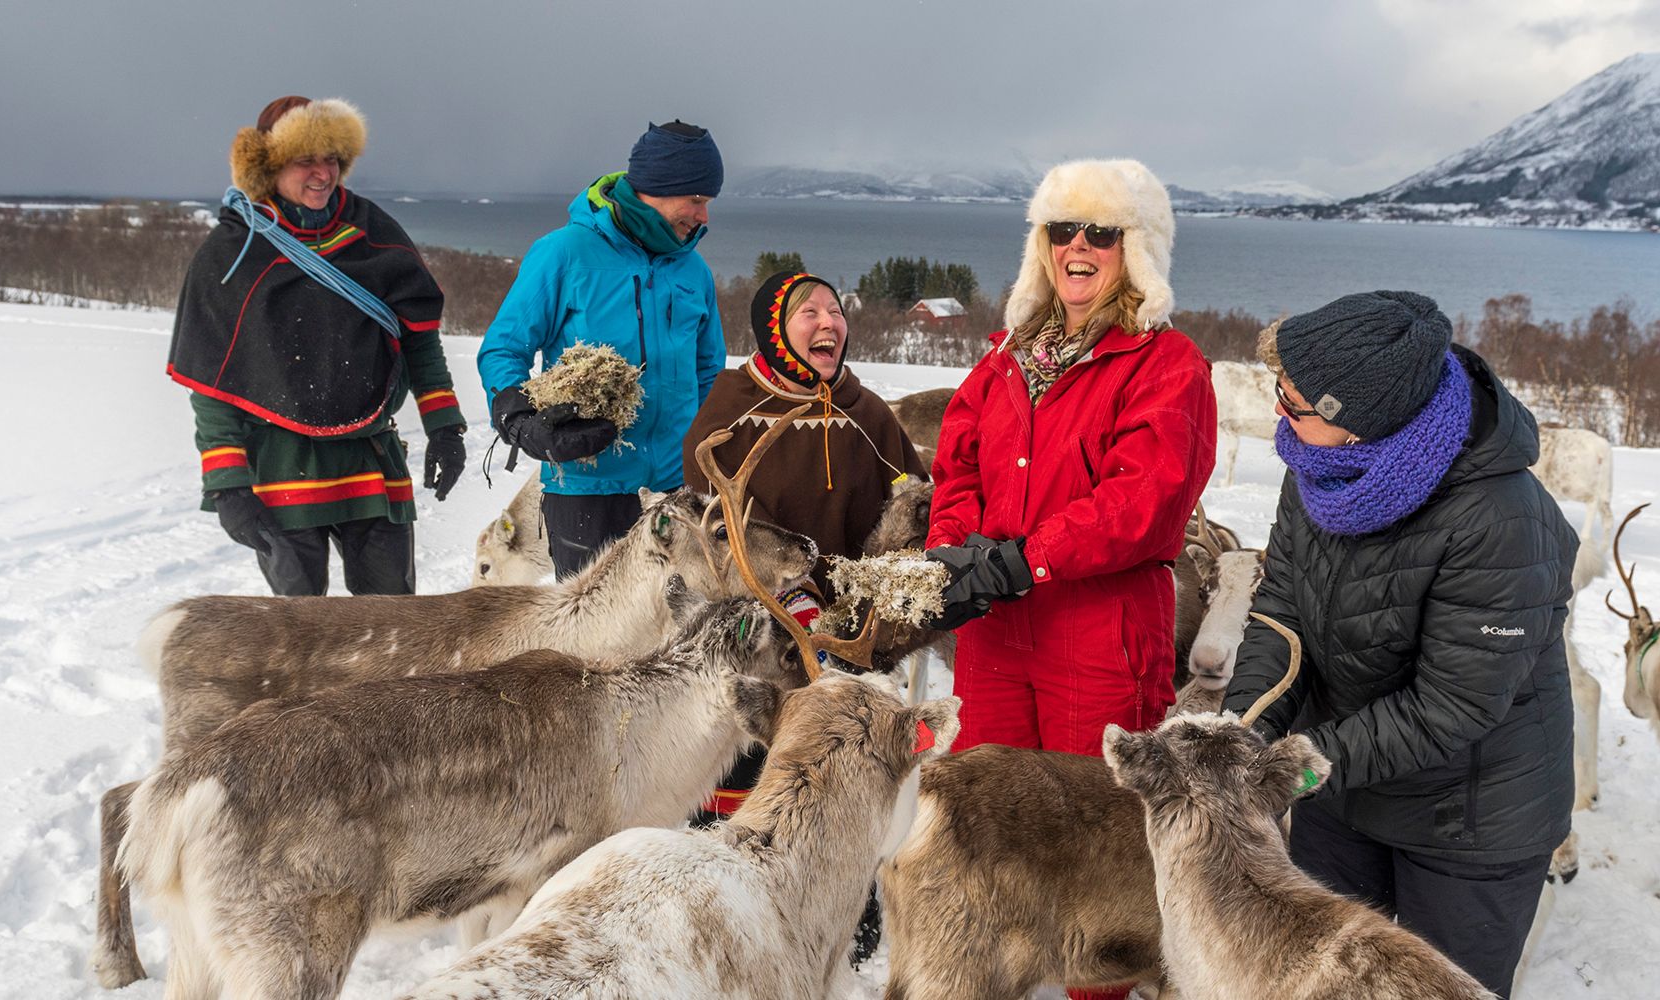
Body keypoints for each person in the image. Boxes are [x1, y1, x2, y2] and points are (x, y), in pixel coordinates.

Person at [1220, 290, 1578, 998]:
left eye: (1292, 404)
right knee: (1315, 977)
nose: (1277, 417)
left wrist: (1298, 769)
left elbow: (1453, 703)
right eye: (1277, 391)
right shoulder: (1319, 470)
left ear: (1361, 421)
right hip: (1344, 790)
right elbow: (1283, 608)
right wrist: (1245, 729)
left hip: (1471, 819)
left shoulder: (1498, 517)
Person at [922, 158, 1217, 1000]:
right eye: (1061, 229)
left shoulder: (1168, 363)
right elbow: (960, 464)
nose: (1077, 247)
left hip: (1096, 632)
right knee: (986, 817)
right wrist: (956, 552)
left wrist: (1027, 557)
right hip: (993, 627)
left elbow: (1146, 499)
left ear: (1138, 250)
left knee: (1098, 836)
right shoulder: (1008, 353)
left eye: (1101, 232)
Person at [680, 269, 927, 966]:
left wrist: (897, 585)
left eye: (835, 310)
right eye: (808, 311)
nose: (829, 324)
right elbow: (711, 525)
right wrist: (782, 599)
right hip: (751, 628)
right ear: (773, 328)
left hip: (845, 634)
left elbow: (908, 503)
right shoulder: (731, 406)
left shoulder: (866, 412)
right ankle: (722, 906)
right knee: (745, 759)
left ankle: (849, 910)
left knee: (840, 767)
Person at [167, 95, 466, 596]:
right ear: (268, 167)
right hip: (281, 463)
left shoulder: (374, 233)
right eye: (305, 160)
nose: (322, 174)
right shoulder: (234, 251)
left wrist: (445, 428)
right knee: (303, 635)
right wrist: (227, 485)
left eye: (331, 159)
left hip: (369, 457)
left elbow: (419, 343)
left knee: (391, 623)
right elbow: (213, 379)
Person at [479, 120, 726, 579]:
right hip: (587, 490)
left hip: (679, 489)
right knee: (596, 649)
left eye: (708, 202)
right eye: (696, 200)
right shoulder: (564, 254)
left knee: (682, 638)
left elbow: (708, 369)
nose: (703, 216)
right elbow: (502, 350)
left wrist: (707, 455)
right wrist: (519, 419)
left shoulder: (693, 271)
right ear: (657, 188)